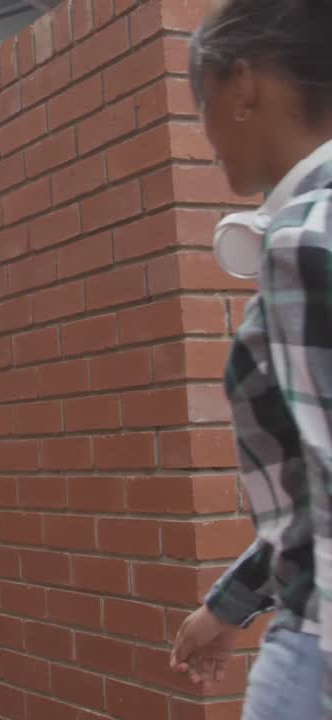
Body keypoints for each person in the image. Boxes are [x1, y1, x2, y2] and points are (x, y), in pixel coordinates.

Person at [170, 2, 332, 718]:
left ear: (244, 85)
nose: (205, 135)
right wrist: (230, 604)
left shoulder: (303, 239)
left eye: (201, 103)